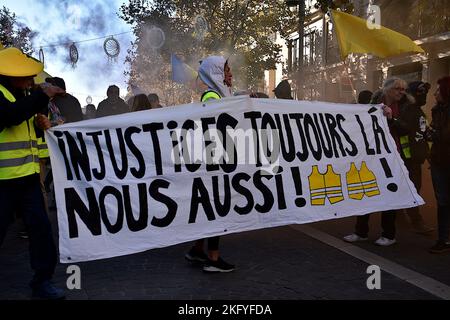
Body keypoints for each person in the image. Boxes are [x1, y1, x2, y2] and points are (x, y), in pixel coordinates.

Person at [0, 47, 65, 299]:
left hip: (26, 179)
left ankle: (43, 281)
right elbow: (9, 117)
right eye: (26, 75)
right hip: (3, 181)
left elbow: (24, 129)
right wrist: (41, 97)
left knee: (41, 231)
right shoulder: (6, 96)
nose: (31, 80)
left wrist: (41, 126)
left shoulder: (21, 95)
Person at [344, 77, 410, 246]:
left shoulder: (406, 106)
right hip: (371, 155)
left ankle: (388, 235)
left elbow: (406, 129)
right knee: (366, 190)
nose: (401, 92)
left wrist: (391, 118)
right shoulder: (372, 103)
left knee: (389, 193)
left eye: (403, 89)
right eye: (397, 89)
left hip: (393, 156)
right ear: (387, 89)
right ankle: (361, 231)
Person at [184, 55, 235, 273]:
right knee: (217, 208)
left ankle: (197, 249)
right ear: (216, 73)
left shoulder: (218, 94)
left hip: (214, 158)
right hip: (215, 161)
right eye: (226, 70)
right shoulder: (213, 96)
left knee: (210, 208)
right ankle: (213, 259)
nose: (230, 74)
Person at [400, 81, 433, 234]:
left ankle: (399, 217)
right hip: (409, 160)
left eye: (425, 92)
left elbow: (423, 134)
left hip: (415, 159)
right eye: (420, 92)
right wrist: (407, 157)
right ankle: (416, 222)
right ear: (411, 94)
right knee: (413, 189)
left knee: (413, 188)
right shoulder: (408, 111)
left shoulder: (418, 111)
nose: (424, 95)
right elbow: (402, 134)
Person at [427, 76, 450, 253]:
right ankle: (443, 239)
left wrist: (434, 134)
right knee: (442, 202)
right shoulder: (436, 110)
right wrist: (428, 132)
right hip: (438, 161)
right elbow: (436, 131)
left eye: (438, 90)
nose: (434, 93)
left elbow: (444, 136)